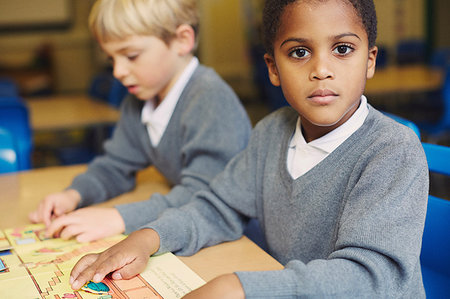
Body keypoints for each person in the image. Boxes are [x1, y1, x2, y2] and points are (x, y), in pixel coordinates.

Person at [69, 0, 429, 297]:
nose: (322, 69)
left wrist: (240, 288)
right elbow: (218, 207)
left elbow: (371, 278)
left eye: (343, 49)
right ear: (273, 68)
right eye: (300, 52)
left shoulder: (391, 150)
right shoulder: (271, 133)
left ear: (370, 60)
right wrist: (149, 238)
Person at [28, 0, 251, 243]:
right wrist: (75, 194)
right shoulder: (139, 99)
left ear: (182, 41)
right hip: (187, 226)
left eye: (131, 56)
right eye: (112, 59)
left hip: (238, 236)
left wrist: (118, 218)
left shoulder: (210, 98)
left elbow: (205, 197)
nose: (118, 71)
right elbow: (116, 166)